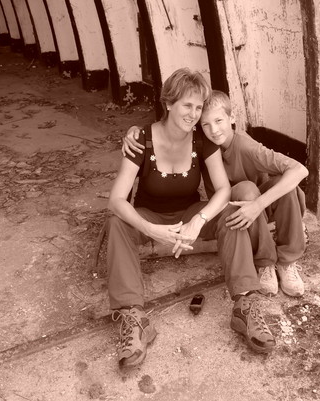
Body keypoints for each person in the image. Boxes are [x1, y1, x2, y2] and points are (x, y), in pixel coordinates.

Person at [107, 70, 275, 369]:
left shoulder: (201, 139)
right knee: (117, 222)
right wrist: (150, 229)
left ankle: (245, 304)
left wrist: (199, 219)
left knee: (231, 212)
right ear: (169, 103)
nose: (194, 114)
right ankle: (134, 318)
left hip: (189, 213)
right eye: (187, 105)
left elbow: (223, 189)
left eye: (198, 107)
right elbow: (117, 199)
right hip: (150, 215)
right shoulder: (142, 139)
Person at [123, 90, 309, 297]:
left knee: (267, 188)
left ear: (232, 118)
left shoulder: (246, 146)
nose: (214, 130)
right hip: (230, 211)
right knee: (244, 191)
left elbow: (300, 170)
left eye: (219, 121)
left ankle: (287, 262)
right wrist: (134, 130)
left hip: (259, 207)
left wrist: (257, 205)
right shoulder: (202, 142)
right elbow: (168, 127)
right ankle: (265, 262)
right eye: (205, 124)